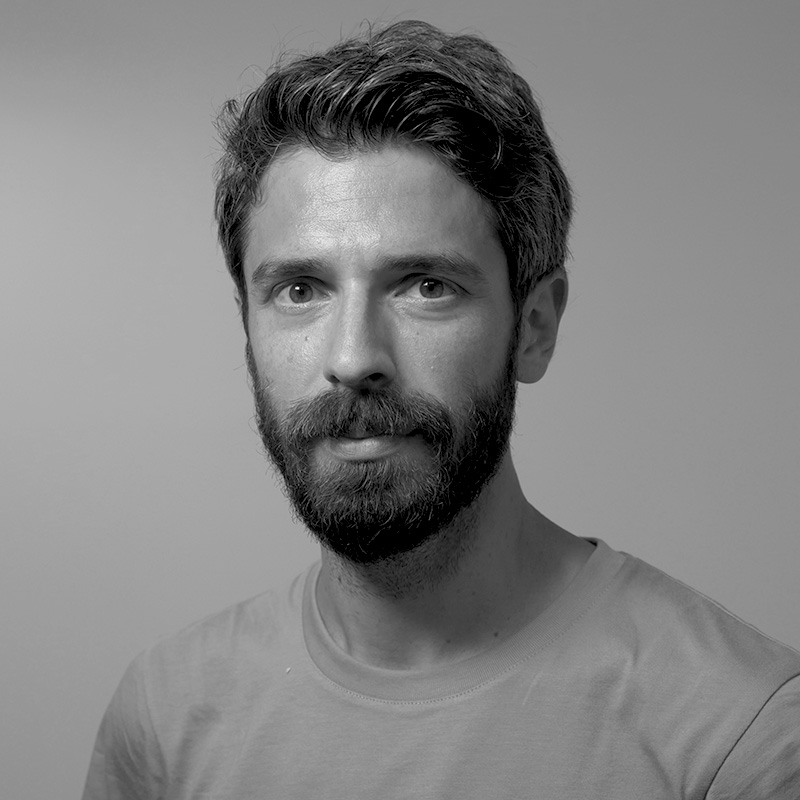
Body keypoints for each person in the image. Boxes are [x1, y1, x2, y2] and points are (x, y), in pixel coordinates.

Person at [82, 20, 800, 799]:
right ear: (247, 327)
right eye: (300, 290)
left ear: (534, 326)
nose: (353, 357)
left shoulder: (742, 736)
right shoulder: (165, 718)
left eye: (427, 286)